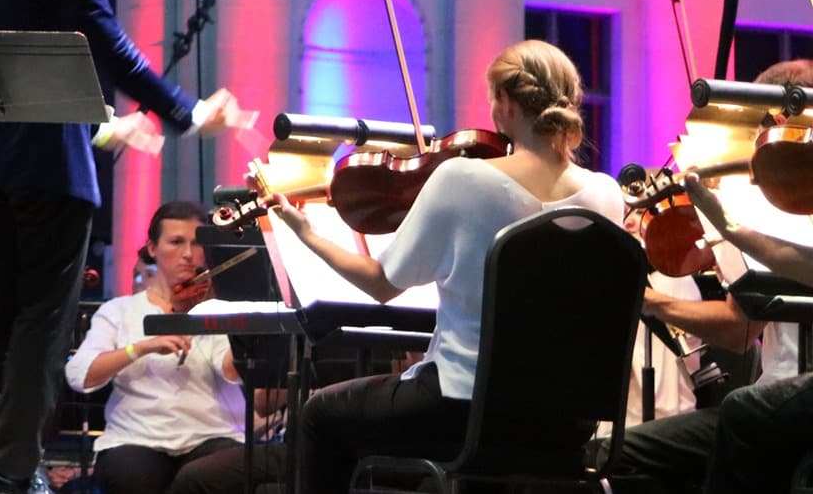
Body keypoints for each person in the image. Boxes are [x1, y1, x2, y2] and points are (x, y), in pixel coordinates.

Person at [0, 0, 247, 492]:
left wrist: (102, 127)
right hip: (50, 173)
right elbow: (106, 44)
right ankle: (13, 472)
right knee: (42, 321)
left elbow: (26, 68)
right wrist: (190, 112)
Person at [260, 38, 622, 492]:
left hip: (463, 408)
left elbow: (381, 285)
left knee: (318, 415)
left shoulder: (462, 179)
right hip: (567, 423)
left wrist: (307, 233)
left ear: (507, 104)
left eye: (494, 98)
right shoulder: (608, 196)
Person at [610, 59, 813, 494]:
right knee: (625, 452)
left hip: (782, 398)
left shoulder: (785, 203)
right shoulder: (767, 207)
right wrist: (726, 230)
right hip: (775, 392)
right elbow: (788, 268)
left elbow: (742, 326)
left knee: (739, 413)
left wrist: (650, 301)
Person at [64, 203, 245, 494]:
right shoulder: (119, 311)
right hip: (136, 437)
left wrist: (236, 319)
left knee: (213, 476)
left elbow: (230, 372)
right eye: (176, 242)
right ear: (152, 248)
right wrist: (142, 347)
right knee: (133, 477)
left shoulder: (216, 308)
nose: (188, 254)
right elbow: (80, 375)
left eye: (197, 243)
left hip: (213, 433)